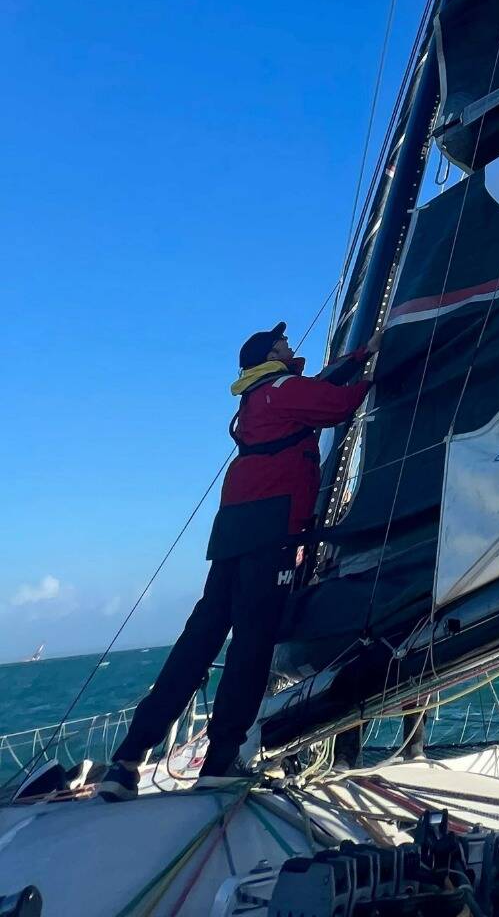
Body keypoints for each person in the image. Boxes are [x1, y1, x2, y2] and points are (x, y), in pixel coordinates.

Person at [94, 321, 372, 798]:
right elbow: (340, 404)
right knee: (251, 644)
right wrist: (380, 362)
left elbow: (318, 389)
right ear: (269, 355)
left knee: (199, 641)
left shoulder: (255, 400)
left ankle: (127, 760)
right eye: (281, 343)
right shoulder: (284, 389)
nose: (289, 345)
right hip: (271, 535)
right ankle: (221, 759)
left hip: (231, 537)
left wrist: (350, 360)